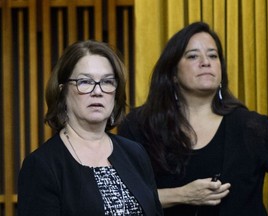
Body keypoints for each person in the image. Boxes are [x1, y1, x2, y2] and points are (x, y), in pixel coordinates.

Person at [118, 21, 268, 216]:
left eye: (213, 56)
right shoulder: (139, 126)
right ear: (173, 73)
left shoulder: (251, 127)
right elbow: (120, 199)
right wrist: (181, 195)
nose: (205, 62)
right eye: (193, 56)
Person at [18, 40, 163, 216]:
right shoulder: (42, 165)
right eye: (85, 81)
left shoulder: (135, 153)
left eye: (107, 81)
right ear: (63, 92)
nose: (97, 91)